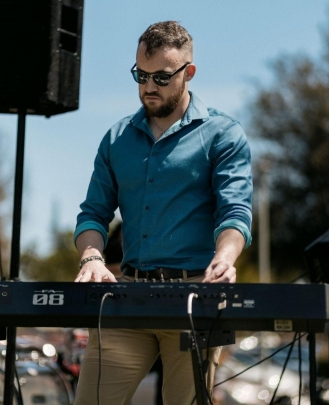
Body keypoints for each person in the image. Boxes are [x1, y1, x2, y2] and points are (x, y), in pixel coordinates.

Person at [73, 20, 252, 405]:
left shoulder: (224, 134)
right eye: (141, 74)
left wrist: (224, 258)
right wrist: (91, 256)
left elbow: (235, 211)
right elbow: (92, 213)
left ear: (188, 72)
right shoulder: (116, 138)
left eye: (161, 76)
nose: (148, 86)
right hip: (127, 300)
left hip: (195, 301)